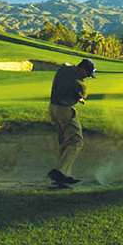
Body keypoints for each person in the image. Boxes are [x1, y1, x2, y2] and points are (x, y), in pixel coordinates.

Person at [47, 58, 96, 187]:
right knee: (77, 141)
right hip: (64, 110)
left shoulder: (64, 68)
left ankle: (65, 175)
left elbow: (66, 79)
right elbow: (81, 93)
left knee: (65, 141)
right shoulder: (79, 82)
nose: (87, 77)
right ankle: (61, 172)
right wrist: (80, 97)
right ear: (83, 69)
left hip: (52, 108)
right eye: (88, 74)